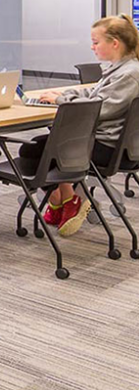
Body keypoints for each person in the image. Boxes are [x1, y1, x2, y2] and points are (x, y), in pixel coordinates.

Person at [20, 14, 139, 236]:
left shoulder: (130, 74)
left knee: (33, 152)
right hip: (108, 143)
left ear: (115, 43)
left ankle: (67, 200)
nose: (92, 47)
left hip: (106, 148)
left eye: (96, 42)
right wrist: (66, 93)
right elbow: (95, 93)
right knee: (41, 146)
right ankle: (65, 201)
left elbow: (96, 109)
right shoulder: (123, 69)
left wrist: (61, 100)